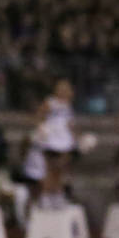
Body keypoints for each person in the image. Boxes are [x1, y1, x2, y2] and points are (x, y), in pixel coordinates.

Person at [36, 78, 76, 209]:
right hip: (51, 139)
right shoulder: (50, 102)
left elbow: (70, 123)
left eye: (66, 89)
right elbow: (39, 116)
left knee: (61, 169)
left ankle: (57, 194)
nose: (64, 91)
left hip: (64, 140)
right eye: (61, 88)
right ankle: (46, 196)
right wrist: (42, 129)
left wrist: (76, 138)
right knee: (50, 169)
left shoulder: (68, 105)